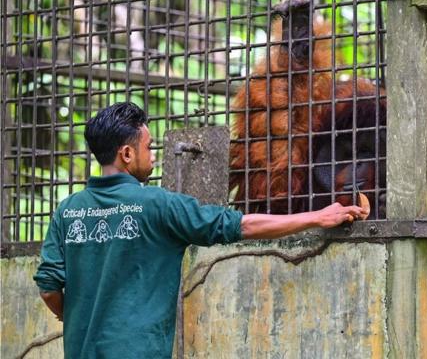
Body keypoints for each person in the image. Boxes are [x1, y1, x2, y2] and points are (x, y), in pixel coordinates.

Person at [33, 102, 363, 358]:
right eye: (149, 148)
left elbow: (48, 287)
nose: (154, 157)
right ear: (127, 153)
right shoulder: (157, 205)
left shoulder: (68, 210)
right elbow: (240, 224)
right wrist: (318, 217)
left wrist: (79, 317)